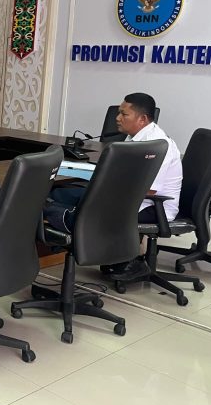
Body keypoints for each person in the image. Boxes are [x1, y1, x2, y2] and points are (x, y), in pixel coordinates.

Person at [48, 93, 182, 281]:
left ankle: (64, 225)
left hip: (151, 206)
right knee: (59, 193)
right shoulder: (136, 138)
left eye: (124, 114)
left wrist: (104, 195)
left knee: (78, 213)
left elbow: (149, 190)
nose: (117, 118)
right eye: (119, 113)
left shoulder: (158, 145)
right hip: (127, 198)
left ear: (142, 119)